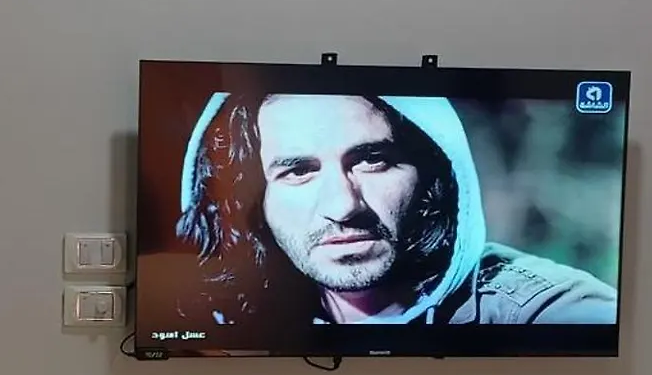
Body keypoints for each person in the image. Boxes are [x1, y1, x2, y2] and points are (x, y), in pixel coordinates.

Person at [174, 92, 616, 328]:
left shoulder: (545, 309)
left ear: (434, 176)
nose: (343, 206)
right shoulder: (226, 318)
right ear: (252, 203)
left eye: (372, 161)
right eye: (298, 171)